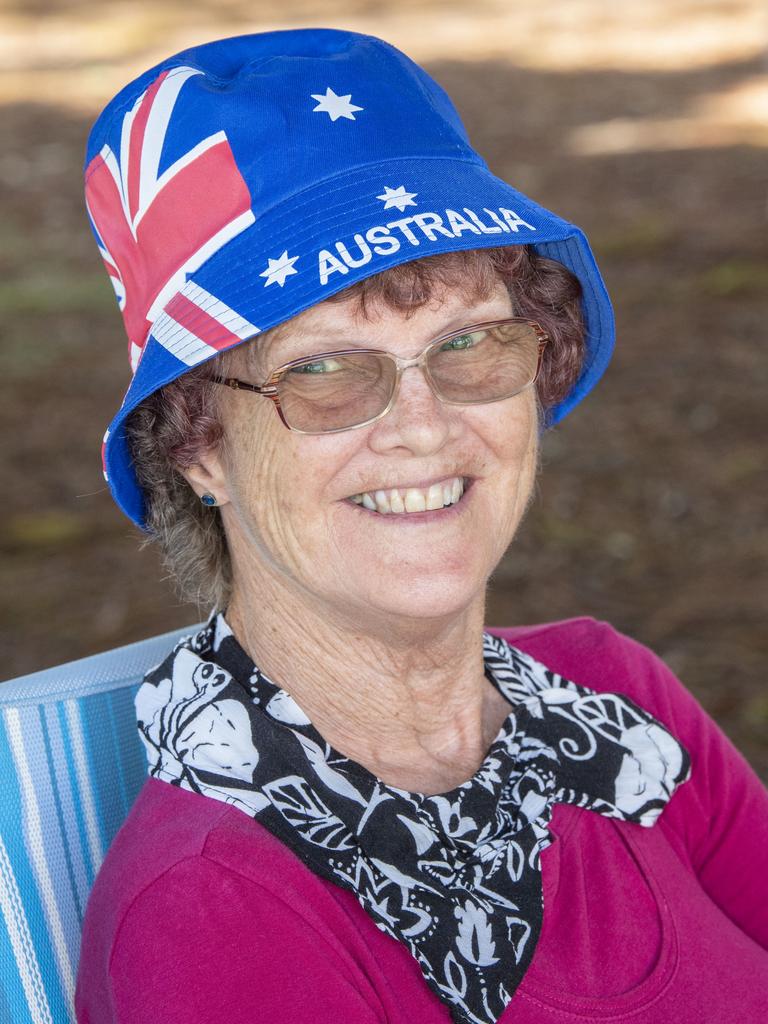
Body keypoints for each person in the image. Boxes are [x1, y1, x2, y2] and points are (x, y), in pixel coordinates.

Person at [75, 27, 768, 1024]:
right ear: (197, 445)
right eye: (321, 369)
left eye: (470, 344)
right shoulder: (213, 910)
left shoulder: (616, 694)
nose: (423, 426)